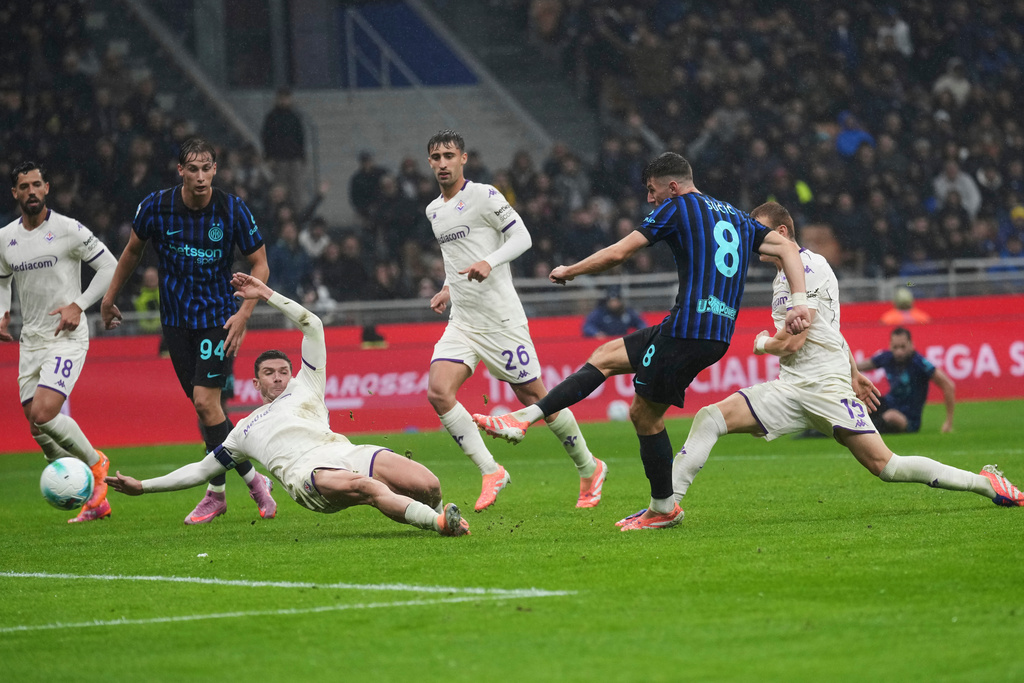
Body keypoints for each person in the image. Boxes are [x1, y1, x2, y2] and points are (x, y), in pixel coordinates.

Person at [474, 153, 812, 530]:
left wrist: (571, 270)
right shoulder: (734, 214)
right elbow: (786, 248)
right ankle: (525, 418)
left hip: (688, 330)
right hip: (710, 330)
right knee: (604, 356)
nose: (650, 200)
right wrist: (800, 302)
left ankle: (663, 509)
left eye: (652, 191)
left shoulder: (679, 207)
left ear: (672, 187)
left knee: (644, 415)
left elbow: (619, 252)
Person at [669, 202, 1021, 519]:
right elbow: (828, 328)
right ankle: (666, 507)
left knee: (886, 466)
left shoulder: (805, 268)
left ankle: (987, 484)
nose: (750, 238)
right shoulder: (793, 273)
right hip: (793, 387)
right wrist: (853, 371)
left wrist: (760, 342)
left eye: (757, 230)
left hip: (823, 386)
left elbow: (794, 342)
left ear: (780, 233)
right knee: (711, 417)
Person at [105, 273, 471, 537]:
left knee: (429, 484)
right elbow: (200, 471)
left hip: (345, 452)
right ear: (256, 382)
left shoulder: (307, 385)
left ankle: (442, 515)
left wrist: (266, 294)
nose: (278, 377)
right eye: (269, 372)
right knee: (371, 489)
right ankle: (439, 524)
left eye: (283, 370)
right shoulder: (244, 430)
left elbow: (313, 325)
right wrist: (144, 486)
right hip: (308, 477)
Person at [424, 129, 606, 512]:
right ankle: (491, 471)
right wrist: (446, 287)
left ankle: (590, 467)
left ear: (463, 158)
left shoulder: (484, 195)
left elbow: (522, 238)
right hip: (463, 321)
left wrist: (490, 262)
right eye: (436, 157)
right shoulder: (433, 210)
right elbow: (456, 257)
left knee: (537, 398)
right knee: (439, 392)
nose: (442, 163)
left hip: (501, 319)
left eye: (449, 156)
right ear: (430, 162)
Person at [100, 138, 278, 524]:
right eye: (192, 169)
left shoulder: (231, 208)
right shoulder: (156, 207)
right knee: (208, 413)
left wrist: (245, 313)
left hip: (218, 319)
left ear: (216, 169)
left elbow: (260, 264)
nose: (201, 176)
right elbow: (132, 251)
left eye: (207, 168)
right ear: (180, 170)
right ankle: (229, 487)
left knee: (205, 404)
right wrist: (109, 296)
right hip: (176, 324)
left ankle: (244, 487)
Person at [0, 161, 118, 523]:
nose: (32, 191)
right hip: (31, 339)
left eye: (38, 184)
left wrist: (79, 306)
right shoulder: (5, 237)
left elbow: (110, 267)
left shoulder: (68, 229)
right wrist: (2, 311)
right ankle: (89, 495)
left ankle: (96, 465)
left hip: (67, 337)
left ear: (47, 188)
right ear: (15, 193)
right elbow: (1, 278)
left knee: (44, 412)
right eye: (25, 186)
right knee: (36, 425)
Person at [857, 327, 956, 434]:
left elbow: (948, 385)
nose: (899, 352)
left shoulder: (920, 363)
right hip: (889, 404)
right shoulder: (887, 357)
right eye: (895, 347)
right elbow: (858, 367)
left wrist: (948, 422)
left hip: (908, 419)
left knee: (891, 416)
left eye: (903, 347)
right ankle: (851, 426)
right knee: (865, 397)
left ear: (911, 345)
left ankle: (857, 431)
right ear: (890, 345)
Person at [260, 87, 306, 206]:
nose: (285, 101)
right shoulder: (272, 117)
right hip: (279, 159)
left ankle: (297, 216)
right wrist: (269, 156)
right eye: (282, 98)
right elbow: (266, 138)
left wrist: (302, 156)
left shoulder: (294, 117)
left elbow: (300, 137)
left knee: (296, 189)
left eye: (287, 98)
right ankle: (279, 214)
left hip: (294, 157)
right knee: (279, 189)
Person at [582, 286, 647, 338]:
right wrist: (596, 333)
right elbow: (587, 326)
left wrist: (640, 333)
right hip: (605, 343)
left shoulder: (627, 312)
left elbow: (640, 323)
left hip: (622, 343)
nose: (614, 304)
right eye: (611, 301)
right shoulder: (600, 312)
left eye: (616, 301)